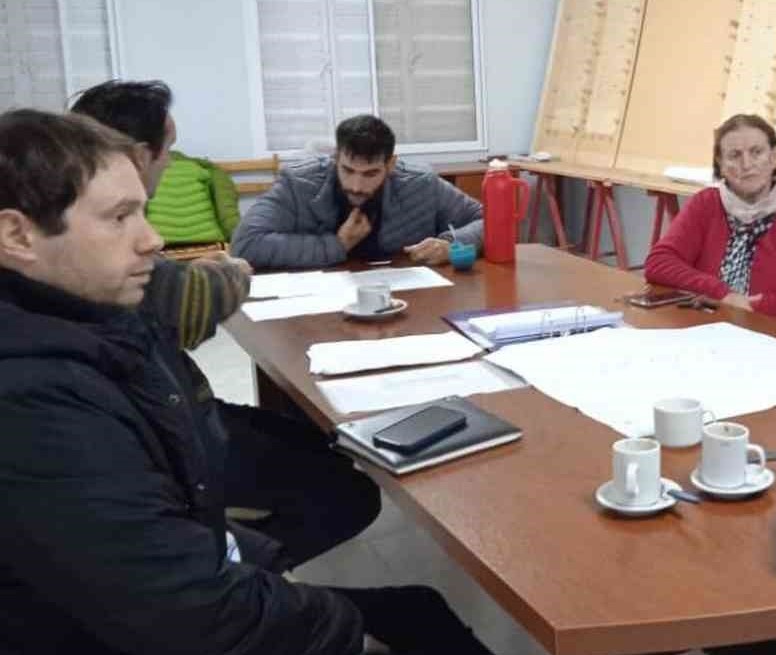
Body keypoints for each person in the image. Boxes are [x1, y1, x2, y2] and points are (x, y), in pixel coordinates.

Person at [0, 109, 495, 654]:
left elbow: (159, 524)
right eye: (120, 217)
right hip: (157, 626)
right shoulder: (35, 400)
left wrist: (249, 557)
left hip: (190, 579)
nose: (153, 240)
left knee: (336, 474)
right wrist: (350, 634)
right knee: (408, 601)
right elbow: (193, 613)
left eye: (142, 211)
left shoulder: (91, 315)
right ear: (17, 235)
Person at [71, 79, 380, 570]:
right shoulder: (86, 245)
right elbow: (205, 285)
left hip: (167, 408)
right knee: (347, 489)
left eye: (372, 171)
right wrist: (330, 247)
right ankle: (231, 569)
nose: (151, 241)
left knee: (320, 435)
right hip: (161, 433)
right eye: (168, 149)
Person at [643, 114, 776, 330]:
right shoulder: (705, 205)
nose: (746, 164)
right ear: (721, 164)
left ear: (774, 157)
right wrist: (722, 294)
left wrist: (752, 308)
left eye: (756, 152)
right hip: (708, 328)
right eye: (734, 155)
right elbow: (659, 263)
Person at [232, 114, 483, 269]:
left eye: (370, 174)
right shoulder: (298, 184)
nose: (356, 186)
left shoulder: (420, 184)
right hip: (318, 302)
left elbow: (488, 220)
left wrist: (450, 244)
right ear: (335, 158)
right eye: (348, 170)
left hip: (405, 298)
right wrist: (337, 244)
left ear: (390, 165)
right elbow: (245, 244)